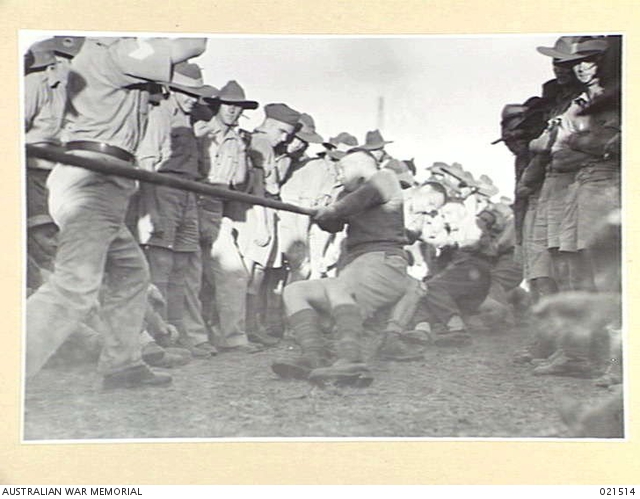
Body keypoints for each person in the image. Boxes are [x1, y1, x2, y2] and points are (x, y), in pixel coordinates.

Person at [26, 36, 207, 389]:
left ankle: (123, 364)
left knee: (131, 272)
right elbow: (194, 44)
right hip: (94, 175)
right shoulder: (116, 52)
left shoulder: (113, 52)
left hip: (103, 175)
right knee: (75, 285)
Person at [271, 150, 411, 385]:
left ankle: (351, 359)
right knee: (295, 291)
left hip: (384, 260)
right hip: (358, 264)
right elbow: (333, 224)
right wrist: (322, 214)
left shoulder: (384, 177)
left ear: (360, 165)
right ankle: (314, 355)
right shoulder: (347, 194)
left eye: (342, 169)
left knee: (338, 288)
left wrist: (333, 209)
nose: (338, 176)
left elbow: (351, 204)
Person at [136, 62, 217, 358]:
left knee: (182, 267)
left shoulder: (191, 120)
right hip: (163, 189)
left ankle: (179, 334)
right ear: (171, 89)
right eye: (186, 93)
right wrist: (151, 208)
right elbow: (147, 161)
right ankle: (158, 337)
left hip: (188, 193)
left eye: (195, 94)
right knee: (160, 266)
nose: (192, 99)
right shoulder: (160, 114)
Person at [193, 80, 259, 351]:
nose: (233, 110)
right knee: (190, 274)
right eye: (228, 105)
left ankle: (231, 337)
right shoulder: (200, 130)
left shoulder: (237, 141)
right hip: (192, 205)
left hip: (217, 210)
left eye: (238, 107)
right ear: (218, 105)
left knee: (233, 274)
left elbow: (239, 185)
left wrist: (242, 152)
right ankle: (192, 337)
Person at [239, 103, 302, 346]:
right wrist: (263, 225)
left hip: (265, 211)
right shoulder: (262, 143)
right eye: (282, 131)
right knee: (253, 274)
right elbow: (259, 187)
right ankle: (248, 328)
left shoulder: (267, 146)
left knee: (258, 274)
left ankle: (251, 327)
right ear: (269, 124)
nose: (284, 138)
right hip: (259, 213)